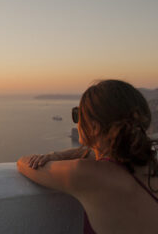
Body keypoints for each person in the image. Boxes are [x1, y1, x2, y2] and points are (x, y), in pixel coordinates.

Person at [17, 80, 158, 234]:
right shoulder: (151, 167)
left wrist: (52, 156)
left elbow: (24, 164)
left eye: (78, 114)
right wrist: (57, 154)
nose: (77, 122)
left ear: (95, 128)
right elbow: (96, 155)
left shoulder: (85, 174)